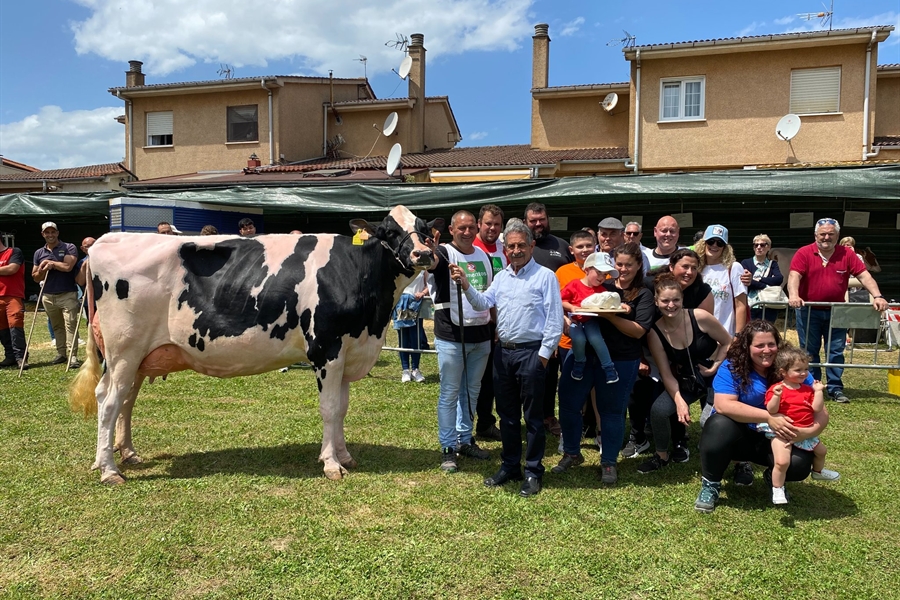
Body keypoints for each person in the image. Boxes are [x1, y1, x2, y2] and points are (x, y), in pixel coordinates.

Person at [451, 218, 563, 497]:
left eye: (521, 245)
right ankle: (511, 465)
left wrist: (544, 356)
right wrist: (465, 283)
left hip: (532, 354)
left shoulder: (545, 277)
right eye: (511, 246)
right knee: (507, 416)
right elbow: (483, 303)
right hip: (504, 354)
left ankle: (534, 471)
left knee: (533, 419)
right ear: (505, 249)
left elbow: (554, 319)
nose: (516, 250)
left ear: (531, 245)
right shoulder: (501, 277)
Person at [694, 320, 830, 514]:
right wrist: (768, 417)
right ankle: (711, 484)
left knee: (800, 465)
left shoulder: (793, 367)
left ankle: (773, 479)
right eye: (759, 345)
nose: (766, 350)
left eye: (771, 344)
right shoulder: (732, 366)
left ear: (778, 345)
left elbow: (822, 413)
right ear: (747, 347)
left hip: (778, 436)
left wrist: (807, 432)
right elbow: (723, 405)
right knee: (718, 424)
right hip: (739, 434)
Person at [555, 242, 655, 484]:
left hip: (620, 358)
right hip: (584, 354)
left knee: (611, 411)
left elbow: (639, 331)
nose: (622, 269)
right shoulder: (601, 286)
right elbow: (573, 304)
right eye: (618, 264)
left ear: (639, 265)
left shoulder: (643, 293)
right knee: (568, 403)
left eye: (628, 265)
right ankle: (571, 452)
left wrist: (608, 315)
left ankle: (608, 462)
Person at [624, 248, 714, 459]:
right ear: (672, 267)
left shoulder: (701, 291)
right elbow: (638, 325)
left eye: (694, 268)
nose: (689, 272)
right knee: (638, 387)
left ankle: (680, 440)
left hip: (686, 356)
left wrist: (713, 362)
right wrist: (641, 358)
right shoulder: (648, 286)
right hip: (648, 346)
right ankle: (638, 437)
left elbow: (709, 336)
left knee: (675, 388)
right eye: (684, 266)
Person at [787, 217, 889, 403]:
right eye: (822, 234)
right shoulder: (804, 252)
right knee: (809, 350)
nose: (826, 237)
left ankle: (835, 388)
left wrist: (878, 296)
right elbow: (794, 275)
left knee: (835, 350)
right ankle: (812, 386)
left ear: (837, 236)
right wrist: (794, 295)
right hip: (809, 310)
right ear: (815, 235)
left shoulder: (847, 254)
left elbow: (865, 276)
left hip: (838, 310)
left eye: (830, 234)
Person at [638, 274, 731, 474]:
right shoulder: (654, 332)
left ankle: (732, 459)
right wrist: (679, 401)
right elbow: (666, 373)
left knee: (710, 419)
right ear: (656, 302)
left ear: (682, 300)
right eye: (665, 301)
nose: (671, 305)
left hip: (717, 376)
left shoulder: (700, 316)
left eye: (676, 300)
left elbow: (728, 342)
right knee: (659, 411)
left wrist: (715, 366)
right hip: (687, 379)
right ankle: (661, 455)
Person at [428, 210, 494, 473]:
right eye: (461, 228)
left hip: (481, 334)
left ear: (476, 229)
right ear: (452, 230)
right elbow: (430, 262)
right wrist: (429, 249)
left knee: (472, 392)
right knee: (449, 393)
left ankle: (465, 439)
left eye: (470, 228)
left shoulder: (485, 257)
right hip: (452, 335)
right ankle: (447, 447)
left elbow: (490, 293)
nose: (467, 233)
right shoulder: (444, 253)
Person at [759, 346, 839, 505]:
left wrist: (818, 392)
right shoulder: (777, 389)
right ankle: (777, 488)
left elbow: (817, 408)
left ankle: (818, 472)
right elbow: (771, 410)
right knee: (782, 462)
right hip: (781, 432)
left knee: (822, 451)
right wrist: (776, 396)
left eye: (806, 369)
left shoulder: (808, 390)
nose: (803, 373)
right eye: (798, 370)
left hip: (803, 432)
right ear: (783, 372)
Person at [524, 202, 572, 437]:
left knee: (555, 373)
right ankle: (536, 416)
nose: (538, 224)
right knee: (534, 374)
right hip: (530, 322)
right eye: (533, 220)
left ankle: (553, 416)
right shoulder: (523, 247)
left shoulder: (561, 246)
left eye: (541, 219)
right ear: (526, 222)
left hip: (561, 320)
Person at [471, 204, 506, 441]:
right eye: (488, 223)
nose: (492, 228)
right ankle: (464, 430)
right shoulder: (469, 248)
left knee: (492, 379)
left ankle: (485, 423)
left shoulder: (505, 250)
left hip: (498, 325)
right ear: (478, 225)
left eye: (497, 224)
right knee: (472, 380)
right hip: (473, 323)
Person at [561, 252, 620, 383]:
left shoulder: (602, 290)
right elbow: (561, 300)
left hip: (591, 321)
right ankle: (579, 362)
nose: (602, 277)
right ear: (587, 269)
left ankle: (609, 367)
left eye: (605, 274)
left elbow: (610, 303)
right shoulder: (575, 284)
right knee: (578, 339)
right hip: (575, 320)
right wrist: (571, 307)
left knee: (596, 338)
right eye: (599, 272)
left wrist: (621, 306)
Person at [32, 222, 80, 367]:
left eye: (53, 232)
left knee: (70, 325)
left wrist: (51, 263)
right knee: (57, 326)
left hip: (67, 294)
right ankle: (61, 353)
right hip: (48, 295)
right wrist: (42, 270)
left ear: (57, 233)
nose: (50, 235)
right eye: (47, 232)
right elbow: (35, 277)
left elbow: (67, 267)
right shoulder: (38, 253)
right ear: (43, 234)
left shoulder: (69, 247)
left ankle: (73, 357)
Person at [696, 224, 748, 337]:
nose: (714, 245)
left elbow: (741, 305)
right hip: (699, 336)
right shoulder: (696, 269)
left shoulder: (733, 268)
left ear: (725, 247)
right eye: (711, 241)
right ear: (703, 243)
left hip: (725, 336)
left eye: (719, 243)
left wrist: (738, 336)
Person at [392, 271, 428, 383]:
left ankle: (415, 369)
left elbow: (429, 285)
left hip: (416, 305)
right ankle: (405, 370)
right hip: (402, 305)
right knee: (403, 338)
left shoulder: (424, 269)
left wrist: (423, 292)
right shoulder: (402, 266)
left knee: (415, 338)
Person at [740, 234, 783, 323]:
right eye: (756, 245)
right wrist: (766, 285)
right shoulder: (746, 263)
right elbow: (747, 282)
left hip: (768, 306)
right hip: (750, 306)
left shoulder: (773, 264)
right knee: (749, 333)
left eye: (762, 245)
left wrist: (759, 279)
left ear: (768, 247)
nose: (759, 247)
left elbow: (779, 279)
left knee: (767, 332)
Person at [0, 236, 27, 370]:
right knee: (2, 328)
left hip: (13, 295)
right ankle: (10, 356)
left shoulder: (14, 252)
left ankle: (20, 357)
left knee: (15, 324)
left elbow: (12, 269)